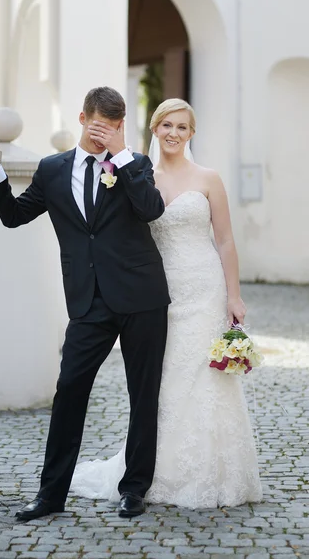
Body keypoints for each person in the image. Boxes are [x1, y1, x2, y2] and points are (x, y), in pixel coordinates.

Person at [0, 86, 171, 520]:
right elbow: (14, 215)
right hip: (88, 303)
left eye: (115, 128)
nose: (106, 135)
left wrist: (120, 155)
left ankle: (134, 489)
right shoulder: (52, 169)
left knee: (143, 394)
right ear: (82, 119)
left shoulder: (135, 164)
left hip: (142, 297)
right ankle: (50, 497)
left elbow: (151, 210)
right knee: (68, 393)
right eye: (99, 126)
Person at [70, 99, 263, 509]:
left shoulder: (208, 178)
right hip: (154, 291)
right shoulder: (134, 173)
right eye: (167, 126)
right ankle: (149, 472)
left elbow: (225, 239)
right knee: (159, 380)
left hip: (204, 288)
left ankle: (212, 471)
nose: (174, 133)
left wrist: (234, 295)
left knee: (206, 376)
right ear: (155, 129)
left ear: (191, 134)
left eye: (182, 127)